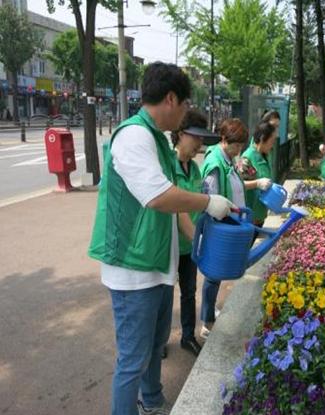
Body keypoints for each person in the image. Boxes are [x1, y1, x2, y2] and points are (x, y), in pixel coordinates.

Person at [88, 62, 235, 415]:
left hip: (154, 264)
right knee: (132, 360)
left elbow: (174, 208)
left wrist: (200, 247)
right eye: (185, 104)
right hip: (132, 268)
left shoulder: (155, 140)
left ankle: (152, 401)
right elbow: (159, 197)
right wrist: (208, 202)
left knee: (154, 346)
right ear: (171, 98)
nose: (185, 113)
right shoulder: (134, 136)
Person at [199, 118, 271, 339]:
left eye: (241, 145)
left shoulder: (228, 160)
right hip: (221, 228)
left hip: (232, 223)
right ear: (224, 139)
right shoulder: (215, 164)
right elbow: (210, 199)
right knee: (213, 274)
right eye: (236, 145)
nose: (239, 150)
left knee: (217, 274)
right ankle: (206, 323)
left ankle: (210, 312)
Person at [168, 109, 220, 357]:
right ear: (180, 134)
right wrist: (199, 243)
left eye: (202, 138)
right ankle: (159, 341)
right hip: (170, 244)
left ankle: (187, 336)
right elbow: (178, 210)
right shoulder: (167, 164)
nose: (200, 143)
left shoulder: (195, 169)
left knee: (189, 292)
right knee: (163, 294)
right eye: (196, 137)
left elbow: (200, 205)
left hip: (190, 245)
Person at [238, 122, 276, 227]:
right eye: (271, 141)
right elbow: (238, 185)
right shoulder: (247, 158)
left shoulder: (264, 156)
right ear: (263, 139)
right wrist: (257, 183)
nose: (272, 145)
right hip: (249, 217)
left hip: (260, 215)